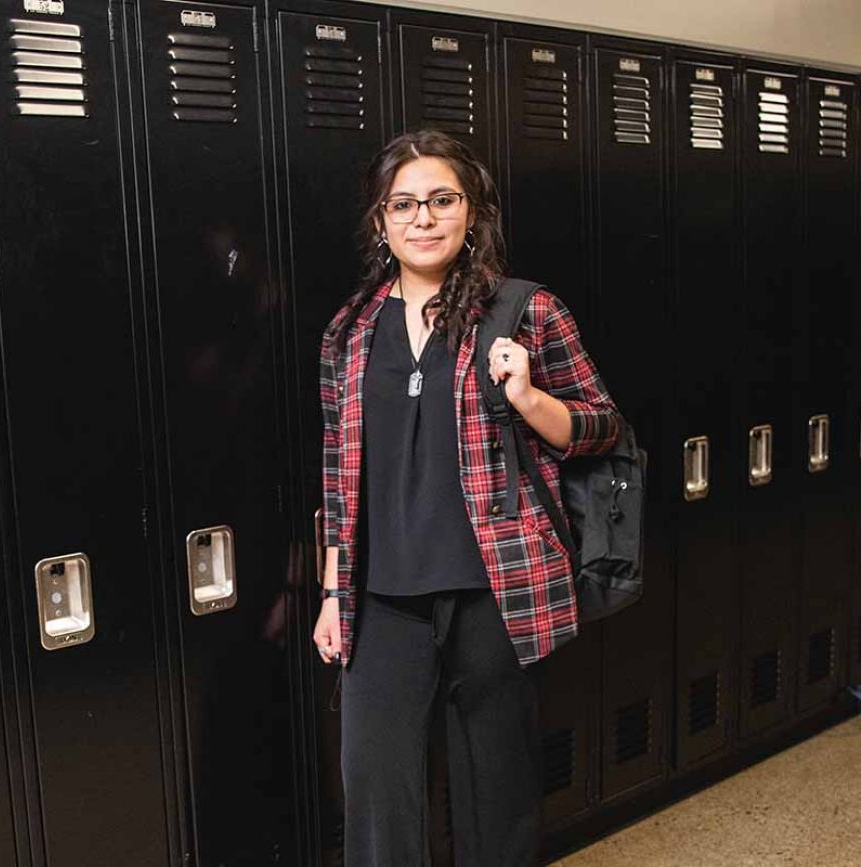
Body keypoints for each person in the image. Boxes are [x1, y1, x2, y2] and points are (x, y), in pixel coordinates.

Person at [312, 129, 622, 866]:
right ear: (381, 222)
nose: (423, 218)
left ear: (472, 212)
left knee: (497, 788)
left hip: (494, 587)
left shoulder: (526, 311)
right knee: (378, 790)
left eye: (442, 200)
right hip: (379, 594)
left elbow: (600, 427)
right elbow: (335, 469)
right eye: (404, 203)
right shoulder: (350, 331)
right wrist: (330, 590)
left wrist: (527, 394)